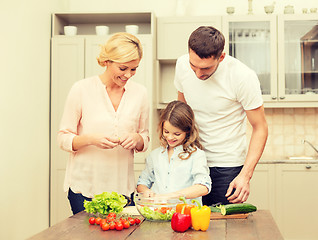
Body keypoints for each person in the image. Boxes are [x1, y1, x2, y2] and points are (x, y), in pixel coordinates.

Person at [174, 26, 268, 206]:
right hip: (192, 160)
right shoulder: (181, 65)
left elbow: (260, 128)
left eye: (206, 68)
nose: (198, 74)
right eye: (193, 66)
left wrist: (245, 176)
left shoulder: (242, 77)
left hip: (226, 166)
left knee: (224, 230)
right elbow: (182, 112)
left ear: (221, 57)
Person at [58, 32, 149, 214]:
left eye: (134, 69)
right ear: (107, 61)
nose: (128, 75)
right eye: (123, 68)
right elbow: (63, 138)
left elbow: (144, 138)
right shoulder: (81, 89)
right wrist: (91, 139)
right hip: (84, 188)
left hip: (122, 189)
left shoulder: (140, 93)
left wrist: (136, 138)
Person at [136, 100, 211, 202]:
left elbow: (203, 186)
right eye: (166, 132)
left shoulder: (197, 155)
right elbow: (142, 182)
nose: (170, 137)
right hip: (159, 212)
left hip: (185, 213)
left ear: (187, 131)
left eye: (177, 134)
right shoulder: (155, 155)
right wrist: (146, 191)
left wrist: (171, 196)